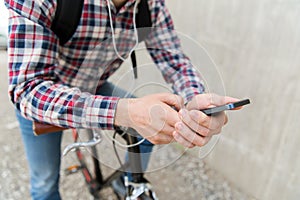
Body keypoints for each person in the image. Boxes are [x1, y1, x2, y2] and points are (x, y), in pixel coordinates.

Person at [5, 0, 240, 199]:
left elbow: (175, 61)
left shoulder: (150, 6)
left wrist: (196, 100)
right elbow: (27, 90)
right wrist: (125, 112)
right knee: (45, 182)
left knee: (146, 131)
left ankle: (128, 182)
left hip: (94, 86)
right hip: (46, 94)